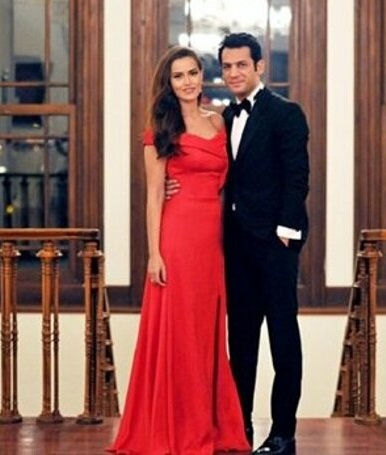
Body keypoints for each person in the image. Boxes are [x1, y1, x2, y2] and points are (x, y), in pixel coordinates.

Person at [168, 33, 309, 455]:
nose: (233, 73)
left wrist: (285, 233)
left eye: (241, 65)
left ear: (259, 67)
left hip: (276, 246)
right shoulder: (223, 118)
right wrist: (175, 184)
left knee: (283, 341)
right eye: (227, 66)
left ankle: (283, 435)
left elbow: (297, 178)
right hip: (233, 247)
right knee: (241, 344)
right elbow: (209, 171)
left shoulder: (286, 113)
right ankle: (238, 429)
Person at [107, 46, 250, 455]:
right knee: (180, 332)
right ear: (168, 84)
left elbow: (227, 183)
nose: (187, 82)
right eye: (178, 76)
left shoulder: (219, 121)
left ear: (202, 76)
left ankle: (207, 424)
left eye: (192, 73)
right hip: (178, 237)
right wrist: (154, 254)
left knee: (205, 334)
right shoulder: (160, 128)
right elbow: (154, 195)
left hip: (213, 241)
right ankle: (177, 429)